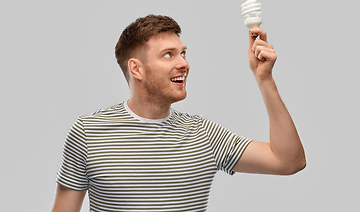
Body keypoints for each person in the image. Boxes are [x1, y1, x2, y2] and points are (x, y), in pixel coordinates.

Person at [51, 14, 306, 212]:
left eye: (183, 53)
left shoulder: (204, 134)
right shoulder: (88, 132)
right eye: (168, 55)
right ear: (136, 69)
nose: (183, 63)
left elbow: (288, 161)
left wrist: (264, 79)